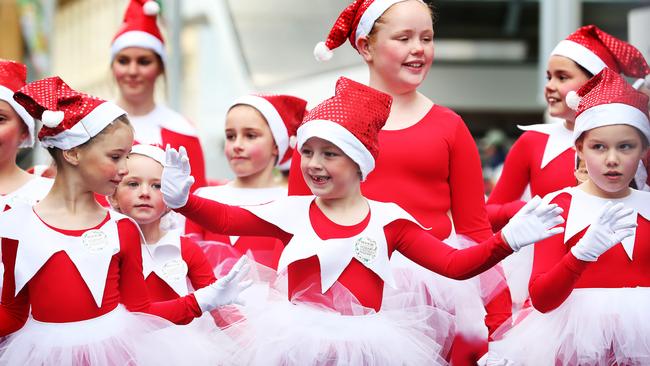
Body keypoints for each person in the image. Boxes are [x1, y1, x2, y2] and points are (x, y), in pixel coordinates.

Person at [162, 77, 564, 365]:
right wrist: (183, 202)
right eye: (309, 152)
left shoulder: (390, 221)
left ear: (360, 162)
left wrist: (507, 240)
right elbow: (228, 215)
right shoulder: (294, 211)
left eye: (330, 154)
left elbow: (454, 266)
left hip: (370, 348)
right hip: (293, 346)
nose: (314, 165)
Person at [290, 1, 513, 362]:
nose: (418, 49)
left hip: (429, 292)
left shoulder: (449, 127)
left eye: (427, 38)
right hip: (341, 286)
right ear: (365, 47)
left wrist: (501, 323)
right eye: (403, 37)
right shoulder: (328, 126)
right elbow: (298, 219)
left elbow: (476, 228)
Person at [0, 76, 250, 365]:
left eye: (127, 157)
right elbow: (13, 314)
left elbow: (141, 314)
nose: (124, 169)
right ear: (72, 152)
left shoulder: (122, 229)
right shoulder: (15, 224)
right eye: (116, 156)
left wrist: (202, 300)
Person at [484, 25, 650, 313]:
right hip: (552, 271)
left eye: (562, 77)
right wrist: (530, 211)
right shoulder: (533, 141)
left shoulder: (633, 142)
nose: (549, 85)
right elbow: (486, 215)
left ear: (595, 82)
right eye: (549, 76)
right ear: (580, 150)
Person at [490, 68, 650, 365]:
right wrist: (581, 254)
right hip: (571, 346)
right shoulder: (560, 205)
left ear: (643, 150)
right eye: (598, 147)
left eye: (625, 146)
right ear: (579, 148)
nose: (612, 159)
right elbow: (542, 299)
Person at [186, 94, 306, 272]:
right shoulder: (205, 197)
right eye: (231, 136)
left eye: (250, 135)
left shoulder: (290, 202)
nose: (237, 145)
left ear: (276, 144)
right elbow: (187, 264)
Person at [111, 0, 206, 191]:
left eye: (144, 62)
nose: (132, 70)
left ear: (161, 68)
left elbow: (196, 204)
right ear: (112, 66)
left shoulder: (182, 130)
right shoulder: (91, 127)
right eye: (123, 61)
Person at [108, 143, 216, 302]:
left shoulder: (185, 249)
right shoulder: (107, 247)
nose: (144, 193)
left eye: (157, 186)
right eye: (133, 184)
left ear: (171, 199)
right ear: (113, 196)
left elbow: (217, 303)